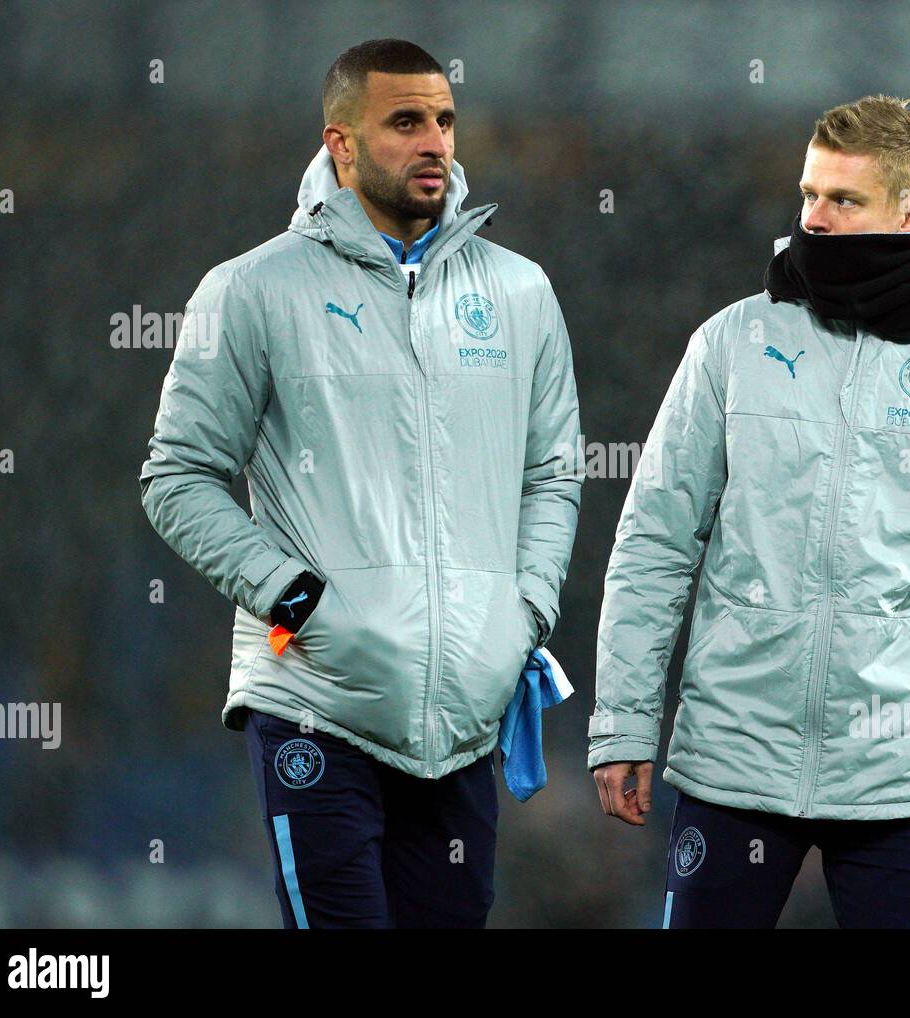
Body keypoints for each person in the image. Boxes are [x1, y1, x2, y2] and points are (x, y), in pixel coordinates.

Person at [140, 38, 583, 928]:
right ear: (340, 143)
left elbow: (555, 474)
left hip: (462, 723)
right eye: (405, 122)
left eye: (446, 122)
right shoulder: (253, 290)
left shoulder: (520, 292)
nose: (436, 143)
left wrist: (521, 613)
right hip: (317, 706)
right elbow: (177, 476)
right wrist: (291, 596)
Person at [589, 95, 910, 928]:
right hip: (737, 758)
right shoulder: (729, 345)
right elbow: (654, 542)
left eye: (843, 199)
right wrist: (623, 722)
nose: (815, 217)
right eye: (808, 195)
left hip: (907, 773)